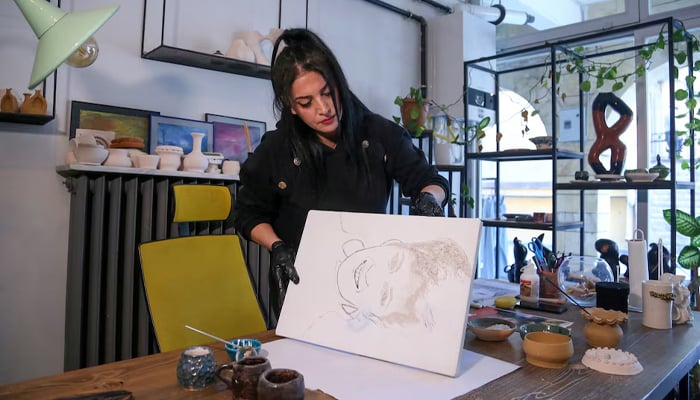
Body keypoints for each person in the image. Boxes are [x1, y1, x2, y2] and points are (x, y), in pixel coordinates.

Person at [232, 28, 450, 321]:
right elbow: (248, 214)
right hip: (302, 283)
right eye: (307, 102)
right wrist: (279, 247)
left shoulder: (378, 134)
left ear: (339, 83)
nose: (323, 109)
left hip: (371, 288)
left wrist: (429, 200)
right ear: (291, 106)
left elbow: (429, 180)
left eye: (327, 93)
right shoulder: (276, 149)